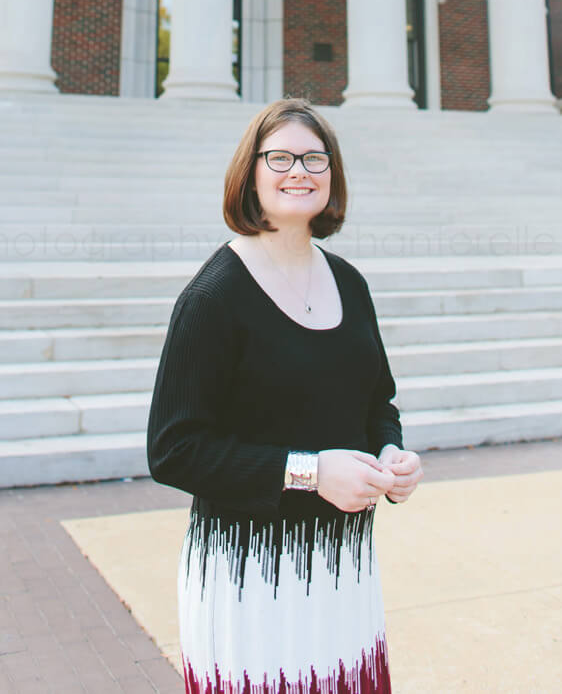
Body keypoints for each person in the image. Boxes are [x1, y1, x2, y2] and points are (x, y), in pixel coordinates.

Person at [147, 98, 423, 694]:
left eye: (314, 158)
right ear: (250, 174)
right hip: (252, 572)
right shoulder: (213, 298)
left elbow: (379, 400)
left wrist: (392, 453)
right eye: (280, 157)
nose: (299, 170)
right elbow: (173, 450)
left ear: (333, 176)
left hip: (342, 565)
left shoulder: (349, 281)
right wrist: (309, 473)